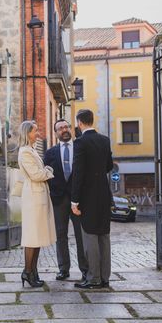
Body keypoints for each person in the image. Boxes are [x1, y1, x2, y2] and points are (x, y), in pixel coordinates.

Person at [70, 109, 114, 289]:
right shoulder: (105, 140)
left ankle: (93, 277)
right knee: (104, 235)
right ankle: (105, 277)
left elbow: (78, 173)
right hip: (104, 194)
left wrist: (74, 200)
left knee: (90, 236)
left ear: (80, 122)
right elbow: (109, 166)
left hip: (87, 196)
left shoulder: (80, 143)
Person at [43, 119, 89, 281]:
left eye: (66, 126)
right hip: (59, 199)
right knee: (60, 235)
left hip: (78, 199)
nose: (64, 129)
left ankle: (85, 269)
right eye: (60, 128)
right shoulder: (50, 153)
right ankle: (63, 269)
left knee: (80, 235)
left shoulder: (80, 148)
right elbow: (46, 175)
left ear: (71, 128)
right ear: (56, 133)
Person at [18, 120, 56, 287]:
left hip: (38, 197)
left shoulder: (32, 151)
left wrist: (45, 171)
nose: (38, 134)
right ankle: (27, 271)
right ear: (27, 134)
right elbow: (36, 175)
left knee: (37, 237)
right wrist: (48, 171)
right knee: (32, 238)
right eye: (35, 131)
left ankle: (33, 271)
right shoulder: (25, 152)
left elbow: (39, 172)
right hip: (33, 198)